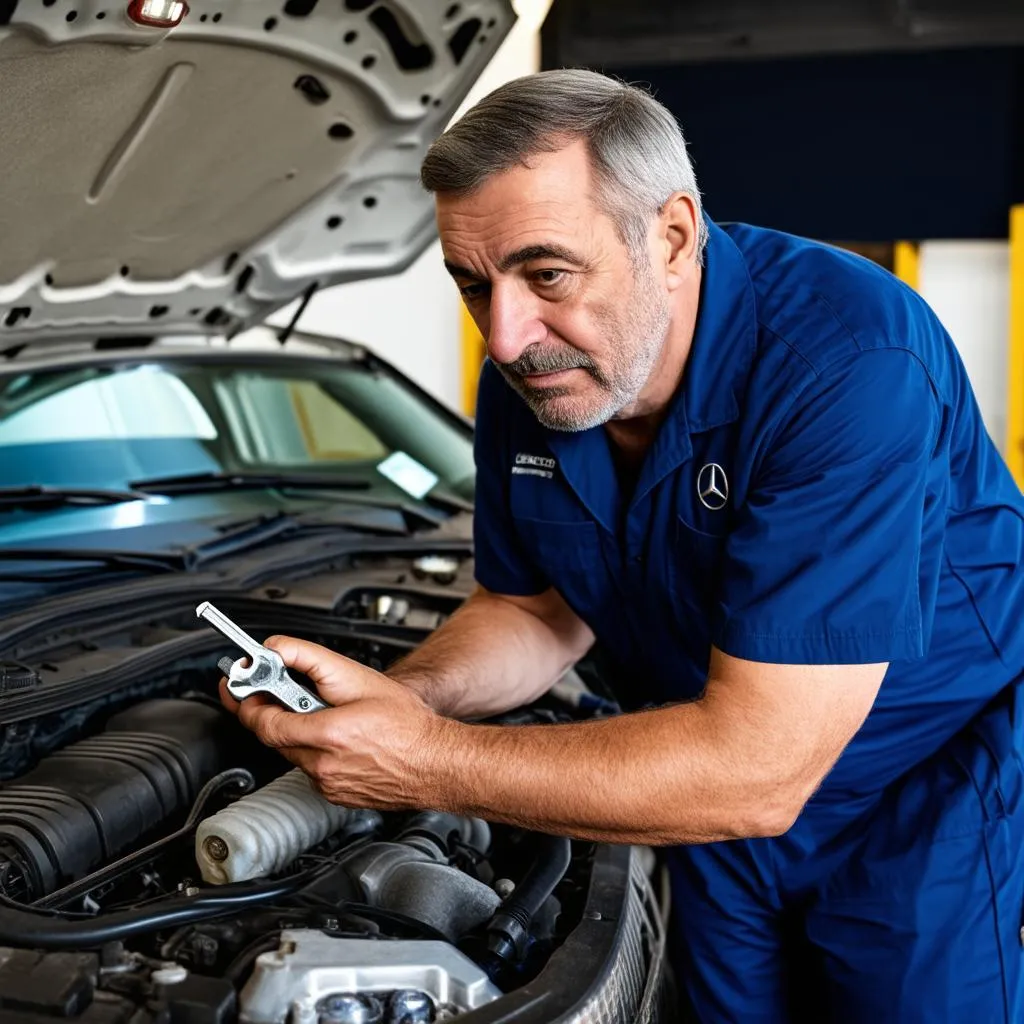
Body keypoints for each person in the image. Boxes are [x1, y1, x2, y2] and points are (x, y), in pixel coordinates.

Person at [220, 69, 1024, 1021]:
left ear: (672, 236)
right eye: (474, 285)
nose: (508, 337)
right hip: (693, 792)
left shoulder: (849, 361)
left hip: (915, 803)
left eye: (547, 273)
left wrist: (430, 759)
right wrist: (407, 697)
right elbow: (535, 609)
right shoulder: (539, 380)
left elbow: (760, 768)